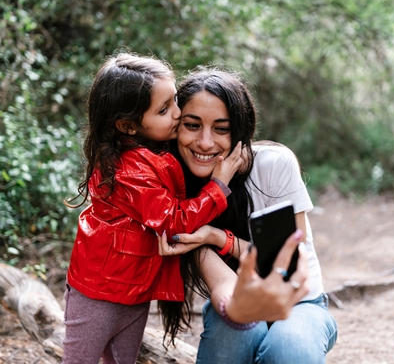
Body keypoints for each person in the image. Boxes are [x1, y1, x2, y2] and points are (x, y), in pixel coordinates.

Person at [62, 54, 244, 364]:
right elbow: (174, 220)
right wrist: (218, 187)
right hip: (98, 294)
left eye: (174, 101)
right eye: (164, 110)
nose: (177, 113)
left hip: (133, 291)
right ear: (128, 125)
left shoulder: (154, 153)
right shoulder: (129, 170)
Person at [158, 67, 337, 363]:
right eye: (192, 125)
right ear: (176, 127)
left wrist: (218, 237)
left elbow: (292, 265)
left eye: (221, 128)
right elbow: (222, 287)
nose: (205, 142)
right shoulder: (173, 192)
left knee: (289, 347)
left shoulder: (273, 165)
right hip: (234, 300)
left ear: (240, 131)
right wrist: (219, 186)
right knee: (232, 334)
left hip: (300, 303)